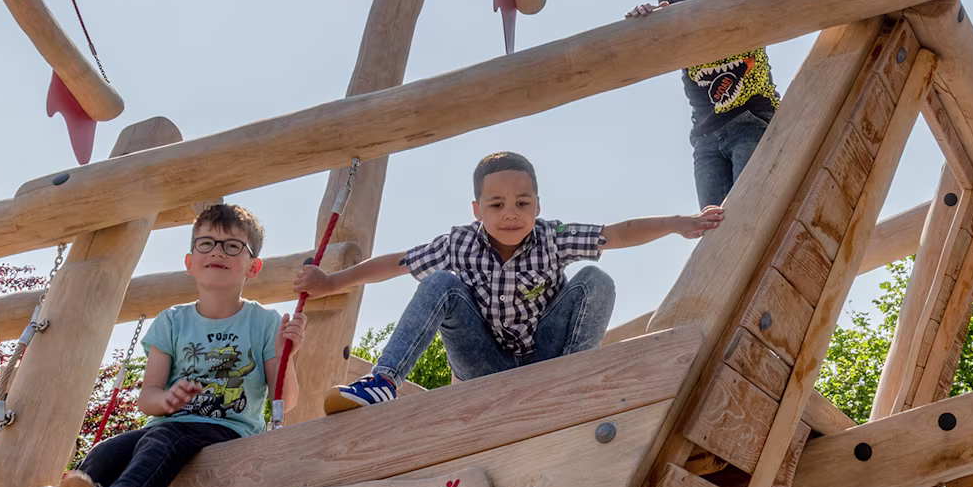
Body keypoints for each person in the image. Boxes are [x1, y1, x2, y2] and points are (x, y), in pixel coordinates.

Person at [0, 204, 300, 487]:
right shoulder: (172, 321)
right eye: (207, 243)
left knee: (165, 435)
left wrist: (290, 354)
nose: (218, 251)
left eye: (233, 246)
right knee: (102, 455)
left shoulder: (264, 322)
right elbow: (148, 397)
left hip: (227, 432)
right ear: (189, 261)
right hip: (170, 426)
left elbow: (286, 399)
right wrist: (168, 399)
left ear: (253, 266)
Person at [301, 151, 721, 407]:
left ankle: (572, 378)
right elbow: (397, 263)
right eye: (497, 205)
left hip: (546, 356)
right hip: (483, 363)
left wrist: (677, 223)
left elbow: (618, 233)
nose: (510, 214)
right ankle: (383, 381)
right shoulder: (460, 243)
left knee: (596, 278)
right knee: (439, 283)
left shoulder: (552, 237)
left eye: (522, 203)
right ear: (477, 210)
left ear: (537, 205)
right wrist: (331, 283)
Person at [624, 0, 779, 208]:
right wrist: (642, 17)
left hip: (752, 119)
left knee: (751, 208)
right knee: (713, 221)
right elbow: (646, 40)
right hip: (705, 135)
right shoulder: (669, 8)